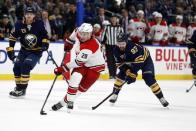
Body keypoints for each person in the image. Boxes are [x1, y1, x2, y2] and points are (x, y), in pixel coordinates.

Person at [51, 23, 105, 112]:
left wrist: (63, 69)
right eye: (81, 33)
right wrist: (68, 43)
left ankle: (62, 103)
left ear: (91, 34)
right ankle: (70, 102)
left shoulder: (91, 45)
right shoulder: (78, 32)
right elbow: (73, 35)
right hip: (83, 65)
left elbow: (78, 62)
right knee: (75, 78)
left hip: (95, 68)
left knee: (80, 89)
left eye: (86, 34)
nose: (82, 36)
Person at [109, 33, 169, 107]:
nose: (121, 46)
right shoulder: (115, 50)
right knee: (120, 76)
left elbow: (140, 62)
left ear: (126, 42)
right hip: (132, 62)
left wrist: (133, 74)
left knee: (149, 78)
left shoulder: (132, 48)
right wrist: (127, 71)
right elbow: (119, 64)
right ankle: (114, 94)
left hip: (145, 60)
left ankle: (161, 97)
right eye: (119, 43)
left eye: (123, 43)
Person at [6, 7, 49, 98]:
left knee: (26, 65)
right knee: (16, 67)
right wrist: (10, 49)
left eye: (31, 14)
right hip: (24, 50)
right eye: (27, 14)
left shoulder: (39, 24)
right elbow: (12, 37)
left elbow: (45, 36)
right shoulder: (18, 24)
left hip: (36, 51)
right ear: (24, 15)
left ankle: (22, 89)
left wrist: (45, 44)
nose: (29, 15)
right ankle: (18, 88)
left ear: (34, 15)